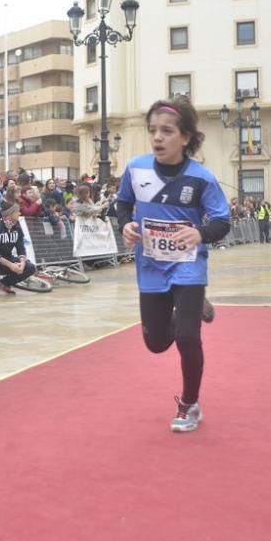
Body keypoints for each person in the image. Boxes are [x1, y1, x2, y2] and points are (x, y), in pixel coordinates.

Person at [116, 96, 231, 433]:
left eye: (167, 131)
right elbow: (123, 204)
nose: (157, 138)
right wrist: (126, 224)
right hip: (150, 267)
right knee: (155, 344)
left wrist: (199, 233)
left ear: (186, 137)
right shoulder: (136, 170)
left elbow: (222, 222)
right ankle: (191, 309)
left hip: (188, 266)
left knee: (187, 337)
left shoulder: (202, 179)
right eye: (153, 130)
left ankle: (189, 403)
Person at [0, 201, 36, 296]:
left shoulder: (17, 228)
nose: (20, 213)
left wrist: (22, 263)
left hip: (7, 258)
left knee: (30, 267)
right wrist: (11, 265)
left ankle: (5, 283)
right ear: (9, 214)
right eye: (17, 211)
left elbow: (21, 248)